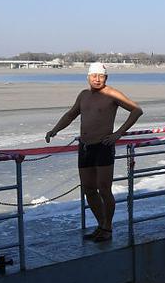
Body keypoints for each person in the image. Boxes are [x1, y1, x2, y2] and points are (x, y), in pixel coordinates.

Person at [45, 62, 143, 241]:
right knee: (89, 189)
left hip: (103, 146)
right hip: (85, 147)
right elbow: (70, 115)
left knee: (104, 189)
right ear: (88, 77)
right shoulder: (83, 95)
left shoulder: (111, 94)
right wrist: (55, 130)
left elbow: (137, 110)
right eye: (93, 76)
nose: (97, 79)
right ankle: (101, 224)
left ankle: (108, 228)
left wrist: (118, 134)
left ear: (106, 78)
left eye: (101, 76)